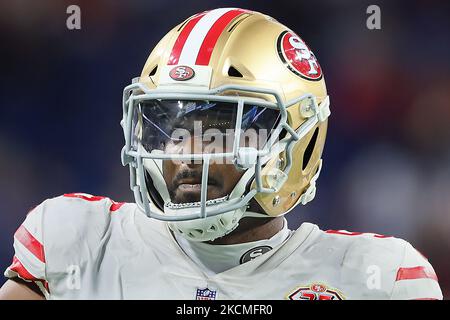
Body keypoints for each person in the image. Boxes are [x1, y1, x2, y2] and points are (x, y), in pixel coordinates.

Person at [0, 8, 442, 300]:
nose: (187, 154)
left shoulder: (379, 278)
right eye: (173, 130)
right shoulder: (82, 241)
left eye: (219, 132)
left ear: (297, 144)